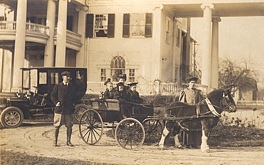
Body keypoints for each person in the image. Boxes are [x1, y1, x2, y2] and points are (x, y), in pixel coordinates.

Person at [50, 71, 77, 147]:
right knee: (57, 126)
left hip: (68, 110)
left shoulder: (72, 87)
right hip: (59, 109)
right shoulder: (58, 86)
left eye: (68, 77)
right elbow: (52, 95)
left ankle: (68, 141)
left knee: (69, 126)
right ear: (63, 77)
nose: (68, 78)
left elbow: (75, 97)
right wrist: (56, 103)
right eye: (66, 76)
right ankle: (55, 141)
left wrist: (73, 104)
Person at [178, 76, 204, 148]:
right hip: (187, 112)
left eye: (194, 83)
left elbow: (201, 102)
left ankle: (195, 143)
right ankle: (187, 143)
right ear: (189, 83)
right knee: (187, 127)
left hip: (195, 111)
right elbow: (182, 103)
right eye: (191, 82)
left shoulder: (197, 92)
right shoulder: (185, 91)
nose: (193, 84)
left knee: (196, 126)